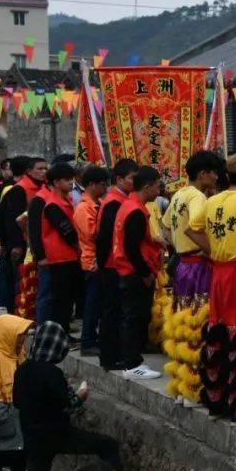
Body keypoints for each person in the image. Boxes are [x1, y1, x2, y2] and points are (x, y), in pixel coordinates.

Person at [189, 152, 236, 425]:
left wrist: (214, 249)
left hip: (218, 272)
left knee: (219, 330)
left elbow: (191, 229)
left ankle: (217, 399)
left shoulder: (213, 200)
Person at [14, 321, 124, 471]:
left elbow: (17, 402)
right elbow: (66, 405)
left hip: (32, 437)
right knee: (108, 445)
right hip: (58, 435)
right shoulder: (52, 374)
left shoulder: (22, 369)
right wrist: (81, 396)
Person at [161, 151, 221, 402]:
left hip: (182, 264)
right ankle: (194, 388)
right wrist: (214, 250)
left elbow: (165, 227)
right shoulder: (197, 197)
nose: (217, 177)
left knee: (182, 324)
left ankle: (180, 388)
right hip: (198, 265)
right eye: (214, 172)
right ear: (203, 174)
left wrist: (176, 246)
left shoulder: (178, 195)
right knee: (198, 324)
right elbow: (194, 228)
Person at [111, 166, 163, 380]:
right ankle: (132, 364)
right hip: (134, 273)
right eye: (158, 186)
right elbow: (131, 247)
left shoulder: (130, 205)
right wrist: (145, 273)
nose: (160, 190)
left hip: (128, 270)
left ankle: (131, 361)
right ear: (147, 187)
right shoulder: (135, 210)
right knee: (135, 318)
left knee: (133, 317)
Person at [94, 159, 138, 371]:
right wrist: (103, 264)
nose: (135, 181)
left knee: (116, 311)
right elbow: (103, 238)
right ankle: (110, 357)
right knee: (112, 312)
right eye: (132, 178)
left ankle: (113, 355)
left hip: (114, 263)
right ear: (119, 179)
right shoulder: (114, 202)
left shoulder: (120, 199)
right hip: (113, 264)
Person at [34, 163, 81, 330]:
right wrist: (77, 245)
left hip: (67, 256)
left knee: (66, 298)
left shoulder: (65, 200)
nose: (71, 183)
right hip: (59, 257)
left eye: (72, 179)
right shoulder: (53, 204)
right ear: (55, 183)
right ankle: (58, 332)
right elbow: (66, 230)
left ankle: (63, 331)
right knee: (60, 299)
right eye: (67, 180)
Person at [73, 166, 110, 357]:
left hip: (100, 260)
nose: (105, 188)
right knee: (93, 304)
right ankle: (87, 341)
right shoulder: (83, 207)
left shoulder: (98, 204)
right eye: (102, 185)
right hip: (91, 261)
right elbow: (92, 234)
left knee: (99, 303)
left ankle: (94, 339)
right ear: (91, 185)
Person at [0, 157, 40, 311]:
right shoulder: (15, 190)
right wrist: (11, 244)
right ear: (27, 171)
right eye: (40, 169)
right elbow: (7, 220)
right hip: (19, 244)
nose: (43, 172)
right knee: (17, 281)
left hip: (24, 244)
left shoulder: (36, 188)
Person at [0, 313, 31, 471]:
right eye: (20, 334)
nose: (24, 338)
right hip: (4, 426)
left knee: (19, 466)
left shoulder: (20, 355)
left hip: (18, 428)